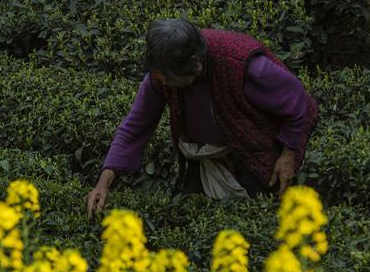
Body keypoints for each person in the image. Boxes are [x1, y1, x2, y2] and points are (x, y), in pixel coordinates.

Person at [86, 18, 318, 216]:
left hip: (253, 149)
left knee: (261, 209)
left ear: (196, 67)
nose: (162, 82)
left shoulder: (243, 65)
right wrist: (103, 183)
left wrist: (288, 154)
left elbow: (298, 102)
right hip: (203, 155)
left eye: (167, 78)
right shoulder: (162, 73)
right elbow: (135, 127)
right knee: (193, 211)